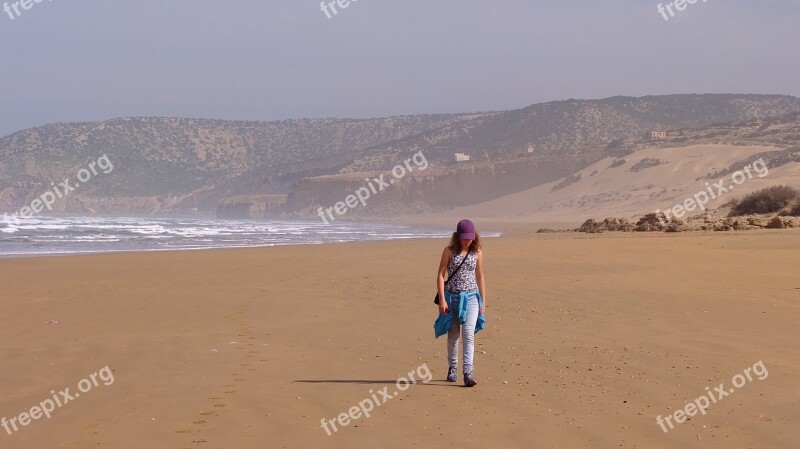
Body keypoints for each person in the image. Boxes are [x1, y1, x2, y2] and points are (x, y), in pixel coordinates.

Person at [436, 219, 486, 387]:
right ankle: (453, 368)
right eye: (464, 237)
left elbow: (480, 276)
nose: (467, 240)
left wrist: (483, 301)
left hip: (471, 298)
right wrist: (442, 299)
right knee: (453, 336)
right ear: (457, 236)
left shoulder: (477, 252)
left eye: (470, 237)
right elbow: (441, 275)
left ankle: (468, 372)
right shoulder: (449, 251)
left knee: (468, 334)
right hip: (452, 299)